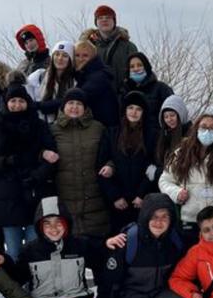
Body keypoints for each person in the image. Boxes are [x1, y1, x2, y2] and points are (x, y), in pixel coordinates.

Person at [99, 193, 194, 298]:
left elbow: (209, 239)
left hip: (159, 294)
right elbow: (107, 286)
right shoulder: (128, 241)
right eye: (154, 216)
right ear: (145, 216)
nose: (159, 221)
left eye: (165, 216)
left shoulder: (175, 240)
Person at [10, 197, 104, 298]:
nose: (53, 228)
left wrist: (110, 245)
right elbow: (16, 278)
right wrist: (3, 262)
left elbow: (101, 258)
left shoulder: (80, 245)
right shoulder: (30, 251)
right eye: (47, 223)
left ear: (66, 224)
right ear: (40, 226)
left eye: (58, 222)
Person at [0, 75, 58, 260]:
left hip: (33, 192)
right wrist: (5, 162)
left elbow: (52, 156)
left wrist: (37, 176)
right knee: (13, 250)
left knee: (35, 249)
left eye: (20, 101)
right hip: (7, 196)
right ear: (6, 103)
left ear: (27, 102)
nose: (16, 105)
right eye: (12, 101)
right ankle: (15, 286)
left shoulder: (39, 126)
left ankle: (35, 286)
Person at [159, 114, 213, 246]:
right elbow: (164, 181)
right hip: (189, 222)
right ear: (196, 129)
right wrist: (176, 192)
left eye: (212, 128)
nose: (207, 131)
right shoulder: (181, 153)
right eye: (204, 127)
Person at [50, 89, 114, 238]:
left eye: (79, 103)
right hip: (65, 199)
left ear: (85, 108)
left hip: (96, 201)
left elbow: (112, 154)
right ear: (63, 106)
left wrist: (111, 166)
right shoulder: (52, 129)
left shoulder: (98, 128)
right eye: (70, 103)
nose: (74, 107)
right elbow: (40, 154)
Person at [104, 92, 159, 233]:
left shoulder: (151, 135)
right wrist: (115, 196)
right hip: (118, 203)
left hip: (142, 202)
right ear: (125, 110)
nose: (134, 112)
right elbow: (101, 167)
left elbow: (153, 166)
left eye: (138, 109)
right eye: (131, 107)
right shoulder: (112, 133)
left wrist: (142, 195)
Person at [80, 4, 139, 94]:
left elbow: (136, 71)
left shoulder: (128, 47)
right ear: (96, 22)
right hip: (93, 96)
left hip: (121, 96)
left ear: (114, 21)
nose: (104, 20)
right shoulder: (88, 46)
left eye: (108, 17)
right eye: (100, 18)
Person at [122, 52, 174, 132]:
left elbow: (173, 115)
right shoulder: (124, 91)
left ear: (146, 67)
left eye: (139, 65)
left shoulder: (161, 89)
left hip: (156, 139)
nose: (136, 69)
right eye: (132, 67)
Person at [74, 40, 121, 128]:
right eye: (77, 55)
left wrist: (43, 105)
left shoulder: (98, 77)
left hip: (105, 131)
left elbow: (76, 98)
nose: (80, 59)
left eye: (85, 56)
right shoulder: (83, 76)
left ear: (93, 58)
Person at [35, 40, 77, 124]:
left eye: (65, 56)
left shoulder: (75, 81)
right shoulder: (39, 76)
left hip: (67, 125)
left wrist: (42, 105)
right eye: (57, 54)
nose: (60, 58)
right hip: (42, 124)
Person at [154, 95, 191, 177]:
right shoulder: (164, 135)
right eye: (166, 117)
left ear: (180, 114)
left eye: (172, 115)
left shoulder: (190, 135)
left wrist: (157, 172)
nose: (169, 119)